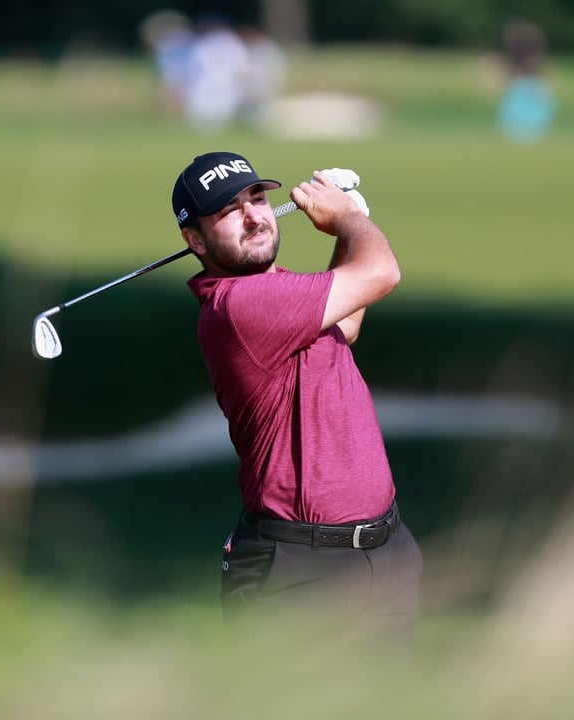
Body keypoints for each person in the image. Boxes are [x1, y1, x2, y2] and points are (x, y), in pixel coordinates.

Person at [171, 151, 423, 646]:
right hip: (299, 568)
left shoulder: (276, 289)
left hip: (385, 550)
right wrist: (349, 218)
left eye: (257, 199)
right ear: (194, 240)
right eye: (228, 212)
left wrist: (352, 227)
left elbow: (344, 324)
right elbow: (381, 274)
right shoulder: (238, 306)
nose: (254, 217)